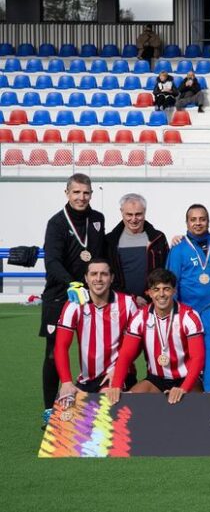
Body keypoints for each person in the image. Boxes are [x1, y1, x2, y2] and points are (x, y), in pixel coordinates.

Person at [41, 174, 108, 412]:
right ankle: (50, 410)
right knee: (53, 354)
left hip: (92, 297)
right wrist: (73, 284)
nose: (81, 197)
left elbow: (101, 256)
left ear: (91, 194)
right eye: (76, 192)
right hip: (60, 296)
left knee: (94, 350)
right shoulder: (57, 223)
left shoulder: (98, 219)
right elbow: (52, 261)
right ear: (67, 193)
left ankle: (93, 404)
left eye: (86, 193)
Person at [106, 269, 205, 405]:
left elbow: (198, 358)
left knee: (198, 408)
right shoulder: (140, 317)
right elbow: (126, 354)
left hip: (186, 378)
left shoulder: (189, 316)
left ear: (174, 291)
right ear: (150, 293)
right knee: (125, 403)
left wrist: (183, 388)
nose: (161, 294)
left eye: (166, 289)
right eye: (156, 289)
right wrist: (116, 385)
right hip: (155, 380)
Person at [54, 259, 138, 400]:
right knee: (67, 410)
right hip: (87, 379)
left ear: (111, 278)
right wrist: (66, 381)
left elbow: (137, 344)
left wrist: (118, 369)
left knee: (103, 406)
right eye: (93, 274)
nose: (98, 279)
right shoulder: (74, 304)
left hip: (118, 374)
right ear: (86, 278)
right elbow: (61, 346)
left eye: (104, 274)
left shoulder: (128, 303)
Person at [105, 193, 168, 307]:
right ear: (121, 212)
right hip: (120, 305)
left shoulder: (158, 239)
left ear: (145, 212)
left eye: (138, 214)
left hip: (151, 304)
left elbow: (165, 272)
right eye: (129, 214)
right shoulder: (110, 241)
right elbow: (109, 277)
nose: (133, 219)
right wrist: (131, 298)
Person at [165, 204, 210, 312]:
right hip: (188, 311)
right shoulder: (178, 247)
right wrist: (173, 312)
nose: (198, 223)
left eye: (202, 219)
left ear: (208, 221)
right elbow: (171, 283)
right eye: (193, 220)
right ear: (187, 223)